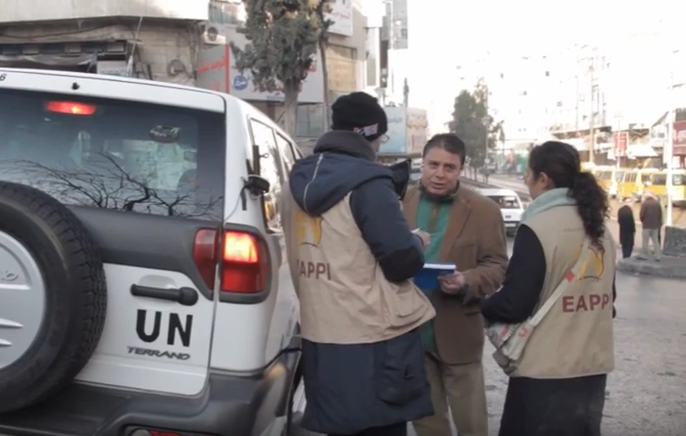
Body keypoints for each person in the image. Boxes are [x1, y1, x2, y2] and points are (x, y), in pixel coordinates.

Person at [281, 92, 435, 436]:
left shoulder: (294, 183)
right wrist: (416, 241)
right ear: (368, 134)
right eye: (379, 138)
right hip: (373, 341)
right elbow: (401, 261)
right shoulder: (368, 183)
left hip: (320, 336)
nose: (379, 146)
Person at [481, 140, 617, 436]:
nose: (526, 181)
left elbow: (515, 303)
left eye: (528, 174)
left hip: (544, 375)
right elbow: (610, 299)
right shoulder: (602, 230)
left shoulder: (538, 227)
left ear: (542, 178)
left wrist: (481, 304)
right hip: (592, 371)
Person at [402, 133, 508, 436]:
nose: (439, 173)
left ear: (461, 168)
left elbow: (497, 265)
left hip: (458, 331)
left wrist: (467, 280)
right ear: (421, 165)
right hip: (410, 332)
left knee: (471, 423)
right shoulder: (399, 201)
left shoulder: (484, 210)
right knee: (427, 421)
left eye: (449, 167)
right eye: (433, 164)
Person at [638, 191, 663, 261]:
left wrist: (642, 221)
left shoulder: (645, 204)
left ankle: (645, 255)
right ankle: (658, 255)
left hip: (646, 225)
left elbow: (641, 215)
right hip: (655, 226)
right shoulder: (657, 203)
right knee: (655, 241)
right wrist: (659, 223)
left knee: (645, 241)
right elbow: (660, 214)